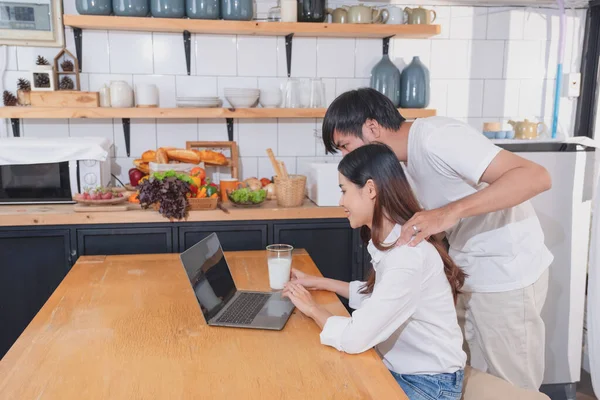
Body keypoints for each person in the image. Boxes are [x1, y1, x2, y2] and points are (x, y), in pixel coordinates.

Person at [319, 88, 553, 391]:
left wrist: (447, 213)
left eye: (345, 146)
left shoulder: (436, 137)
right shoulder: (400, 165)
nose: (347, 158)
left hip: (506, 273)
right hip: (468, 270)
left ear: (372, 127)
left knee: (509, 389)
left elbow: (537, 177)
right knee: (455, 377)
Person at [282, 143, 467, 399]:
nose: (340, 201)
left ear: (370, 189)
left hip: (429, 385)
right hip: (404, 371)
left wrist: (313, 308)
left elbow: (355, 338)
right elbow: (382, 297)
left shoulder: (406, 255)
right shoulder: (394, 238)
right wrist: (321, 282)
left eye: (344, 190)